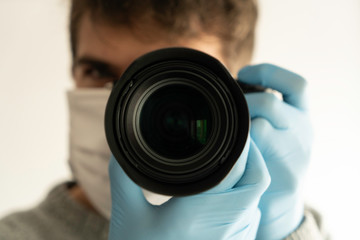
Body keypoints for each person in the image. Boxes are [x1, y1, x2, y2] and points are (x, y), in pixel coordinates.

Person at [0, 0, 329, 239]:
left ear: (236, 95)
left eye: (174, 86)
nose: (127, 107)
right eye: (98, 72)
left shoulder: (296, 226)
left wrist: (284, 230)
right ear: (74, 71)